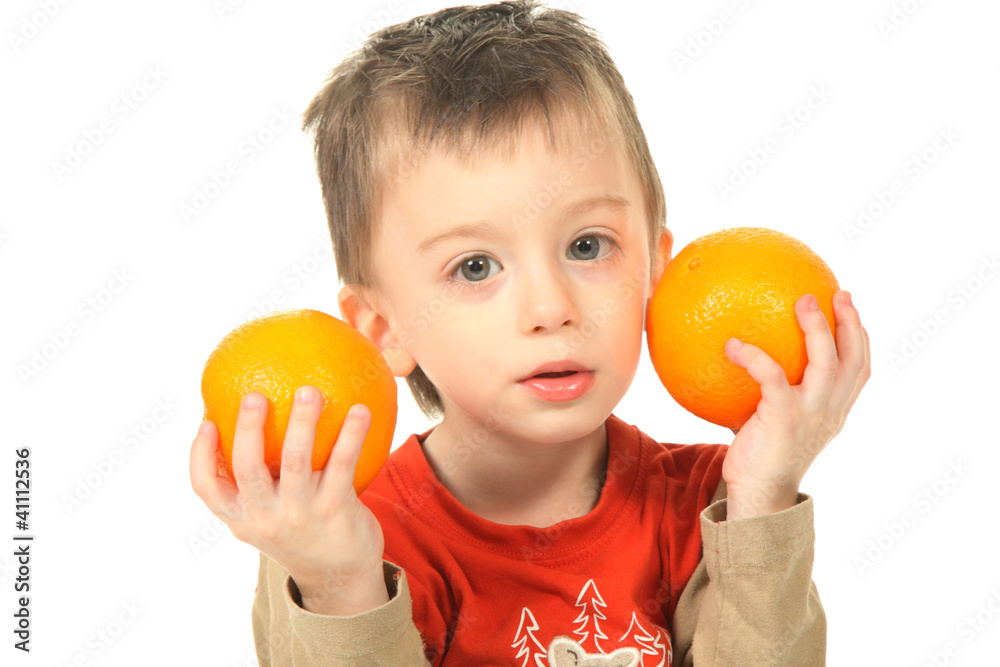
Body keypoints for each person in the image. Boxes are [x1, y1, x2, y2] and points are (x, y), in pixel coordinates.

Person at [189, 1, 871, 665]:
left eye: (586, 246)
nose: (551, 308)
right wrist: (339, 584)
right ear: (384, 328)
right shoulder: (349, 538)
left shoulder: (714, 510)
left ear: (655, 270)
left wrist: (764, 499)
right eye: (475, 266)